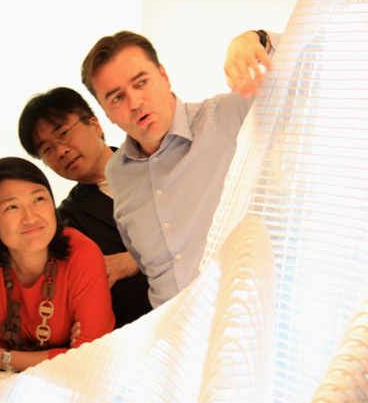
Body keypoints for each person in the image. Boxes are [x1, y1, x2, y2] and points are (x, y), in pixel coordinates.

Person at [80, 29, 278, 308]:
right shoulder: (117, 172)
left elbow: (307, 70)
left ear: (164, 76)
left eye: (141, 82)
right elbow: (149, 262)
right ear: (106, 113)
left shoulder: (226, 117)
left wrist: (255, 39)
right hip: (168, 326)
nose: (135, 103)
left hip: (240, 316)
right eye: (117, 98)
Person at [0, 157, 114, 372]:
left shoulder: (82, 253)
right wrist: (65, 356)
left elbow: (92, 358)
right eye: (12, 207)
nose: (30, 218)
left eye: (38, 199)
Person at [18, 87, 152, 328]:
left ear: (94, 124)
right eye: (47, 149)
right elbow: (110, 295)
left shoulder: (156, 161)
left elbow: (206, 229)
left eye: (63, 133)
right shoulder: (66, 223)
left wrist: (136, 260)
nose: (61, 151)